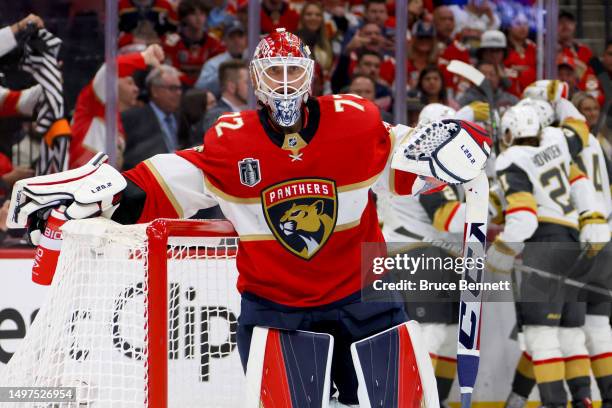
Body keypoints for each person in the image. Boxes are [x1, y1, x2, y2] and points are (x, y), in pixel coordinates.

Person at [7, 28, 491, 407]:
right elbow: (159, 185)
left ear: (310, 76)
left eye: (292, 72)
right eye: (273, 72)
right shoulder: (230, 141)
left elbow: (407, 155)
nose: (283, 84)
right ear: (255, 80)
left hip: (366, 297)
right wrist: (98, 194)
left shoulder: (354, 121)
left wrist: (461, 140)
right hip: (280, 309)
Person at [489, 104, 608, 408]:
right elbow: (580, 184)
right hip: (574, 243)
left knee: (541, 336)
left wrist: (502, 250)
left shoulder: (510, 158)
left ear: (510, 132)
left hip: (545, 244)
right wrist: (592, 217)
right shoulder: (555, 146)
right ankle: (583, 400)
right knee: (571, 335)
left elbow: (524, 217)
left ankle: (554, 403)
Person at [70, 45, 165, 169]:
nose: (136, 89)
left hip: (104, 184)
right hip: (79, 183)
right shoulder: (92, 104)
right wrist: (144, 57)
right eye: (129, 82)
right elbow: (109, 69)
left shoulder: (117, 119)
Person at [121, 65, 183, 170]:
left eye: (179, 88)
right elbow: (131, 158)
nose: (178, 93)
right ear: (154, 91)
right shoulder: (133, 118)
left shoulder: (181, 117)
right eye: (172, 88)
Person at [163, 0, 225, 86]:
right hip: (180, 87)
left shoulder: (214, 42)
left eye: (202, 14)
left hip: (207, 87)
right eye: (193, 14)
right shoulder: (172, 43)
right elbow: (170, 71)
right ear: (184, 17)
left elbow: (218, 70)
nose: (198, 18)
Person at [194, 20, 248, 96]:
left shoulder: (255, 58)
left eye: (240, 36)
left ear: (245, 38)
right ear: (224, 40)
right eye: (232, 37)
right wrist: (223, 74)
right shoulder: (214, 64)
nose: (237, 41)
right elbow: (199, 88)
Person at [199, 59, 248, 133]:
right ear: (231, 87)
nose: (253, 87)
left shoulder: (251, 110)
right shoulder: (216, 117)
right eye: (247, 83)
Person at [297, 1, 334, 76]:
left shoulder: (327, 41)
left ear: (322, 19)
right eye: (309, 14)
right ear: (302, 17)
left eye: (318, 15)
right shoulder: (295, 40)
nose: (313, 18)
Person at [504, 15, 537, 97]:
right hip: (509, 96)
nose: (523, 28)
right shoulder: (502, 48)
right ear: (509, 27)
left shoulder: (534, 48)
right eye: (518, 24)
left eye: (525, 24)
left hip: (533, 95)